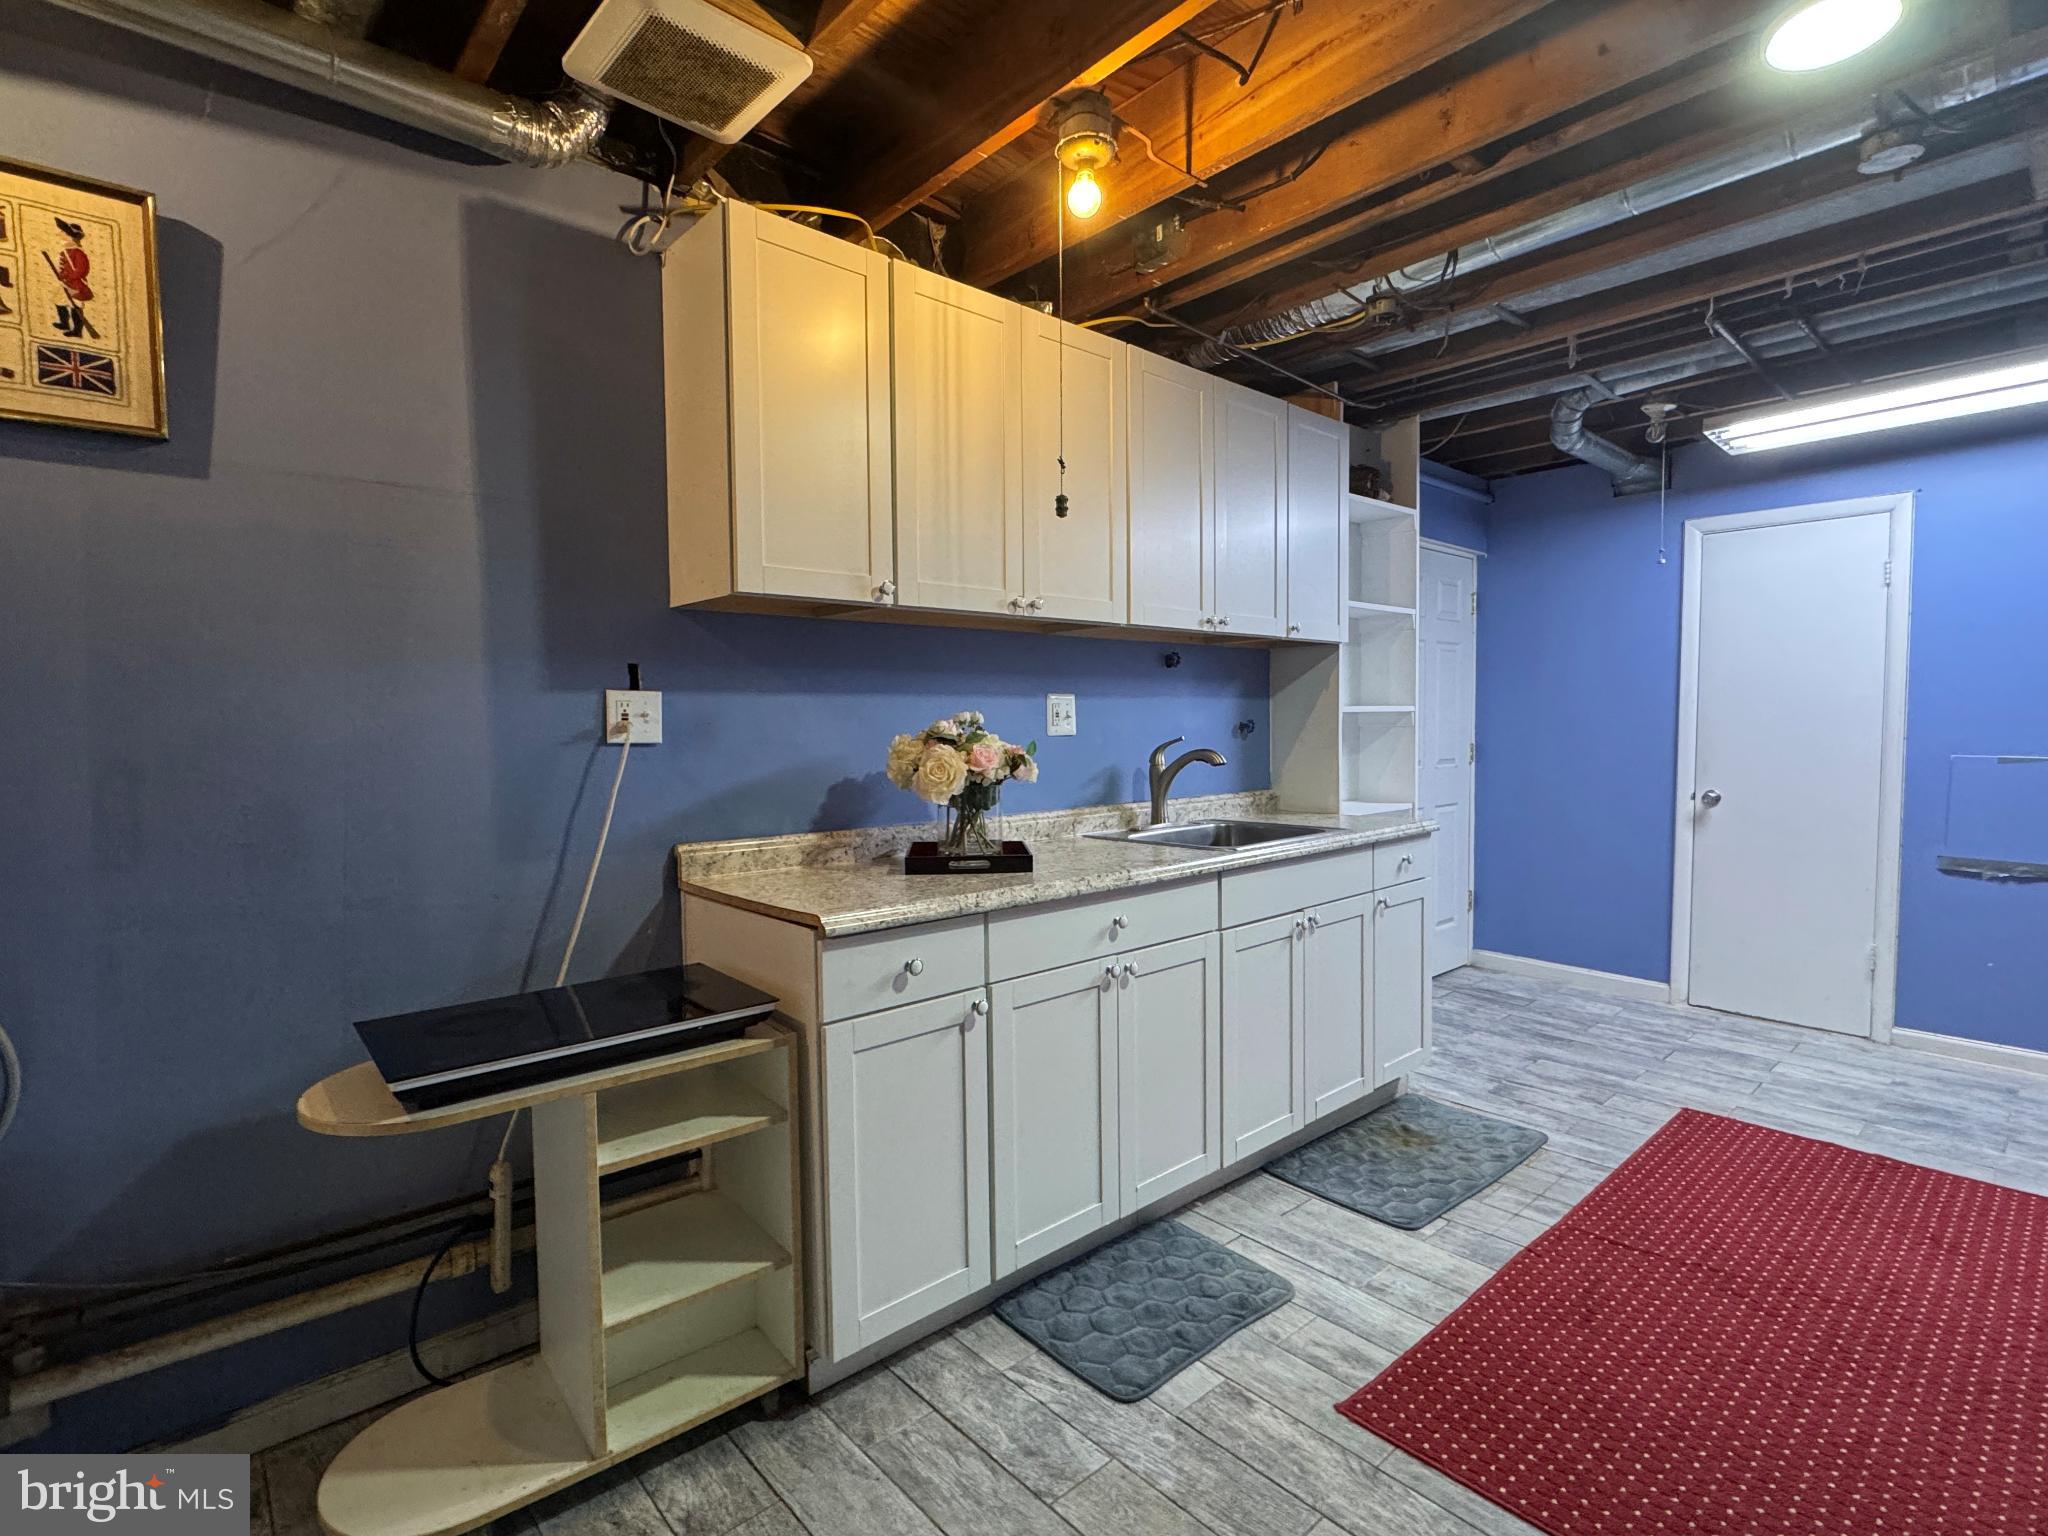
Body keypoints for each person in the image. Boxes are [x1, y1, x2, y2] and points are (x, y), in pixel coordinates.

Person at [50, 217, 93, 338]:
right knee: (59, 301)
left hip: (75, 284)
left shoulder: (78, 252)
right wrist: (62, 276)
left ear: (69, 235)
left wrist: (68, 278)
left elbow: (81, 270)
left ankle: (77, 330)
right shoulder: (66, 250)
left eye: (63, 232)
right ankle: (64, 323)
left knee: (76, 305)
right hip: (65, 282)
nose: (60, 234)